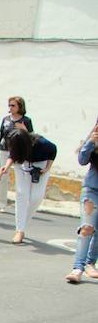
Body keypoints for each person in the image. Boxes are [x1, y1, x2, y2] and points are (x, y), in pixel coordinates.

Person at [0, 128, 57, 244]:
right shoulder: (16, 142)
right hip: (22, 164)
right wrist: (7, 166)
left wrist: (47, 168)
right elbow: (13, 155)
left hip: (41, 164)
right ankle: (20, 230)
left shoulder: (42, 144)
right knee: (22, 194)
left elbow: (53, 150)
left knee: (36, 197)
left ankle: (23, 224)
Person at [64, 120, 98, 283]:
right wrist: (91, 141)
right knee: (87, 228)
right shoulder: (94, 138)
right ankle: (78, 268)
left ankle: (90, 263)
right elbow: (82, 160)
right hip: (92, 189)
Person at [0, 96, 34, 212]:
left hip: (19, 151)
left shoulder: (26, 120)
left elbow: (32, 137)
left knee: (21, 176)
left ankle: (21, 203)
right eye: (9, 105)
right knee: (3, 175)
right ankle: (0, 204)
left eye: (13, 105)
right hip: (4, 149)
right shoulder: (6, 119)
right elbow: (1, 135)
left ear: (20, 107)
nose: (11, 108)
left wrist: (24, 129)